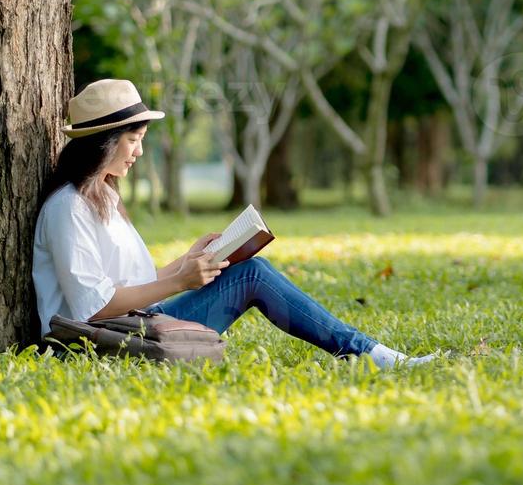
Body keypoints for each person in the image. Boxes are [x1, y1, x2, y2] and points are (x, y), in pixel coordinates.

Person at [33, 79, 434, 368]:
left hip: (135, 326)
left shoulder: (102, 197)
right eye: (133, 139)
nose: (138, 151)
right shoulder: (68, 208)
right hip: (100, 346)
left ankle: (367, 352)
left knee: (245, 268)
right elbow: (92, 307)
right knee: (252, 274)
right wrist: (179, 282)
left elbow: (125, 284)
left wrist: (188, 263)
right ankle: (369, 354)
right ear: (105, 140)